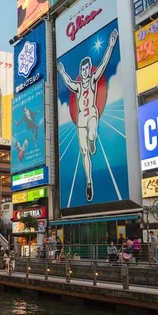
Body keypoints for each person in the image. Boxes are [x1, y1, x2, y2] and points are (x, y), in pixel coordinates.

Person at [57, 28, 118, 202]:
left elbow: (104, 64)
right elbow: (68, 81)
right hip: (81, 120)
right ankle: (89, 182)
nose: (85, 71)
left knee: (92, 135)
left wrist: (111, 44)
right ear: (80, 70)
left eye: (86, 68)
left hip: (92, 114)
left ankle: (93, 139)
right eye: (82, 69)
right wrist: (61, 71)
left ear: (88, 69)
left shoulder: (92, 80)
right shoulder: (77, 85)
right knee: (84, 152)